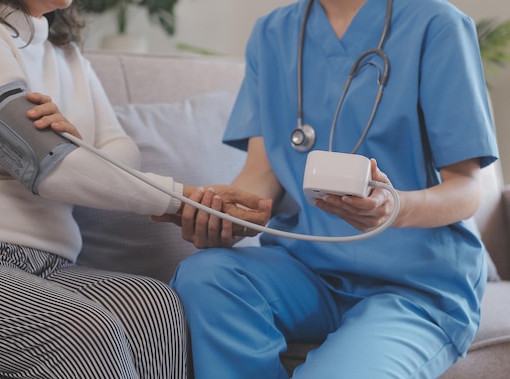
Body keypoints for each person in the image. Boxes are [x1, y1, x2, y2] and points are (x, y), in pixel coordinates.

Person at [0, 0, 271, 378]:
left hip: (44, 265)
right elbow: (44, 166)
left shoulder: (68, 56)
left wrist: (73, 144)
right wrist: (178, 198)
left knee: (156, 309)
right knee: (85, 332)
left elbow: (123, 152)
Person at [165, 0, 499, 378]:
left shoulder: (437, 24)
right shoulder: (272, 33)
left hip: (416, 283)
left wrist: (396, 208)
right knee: (208, 276)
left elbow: (468, 188)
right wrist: (225, 213)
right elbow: (261, 172)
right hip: (308, 269)